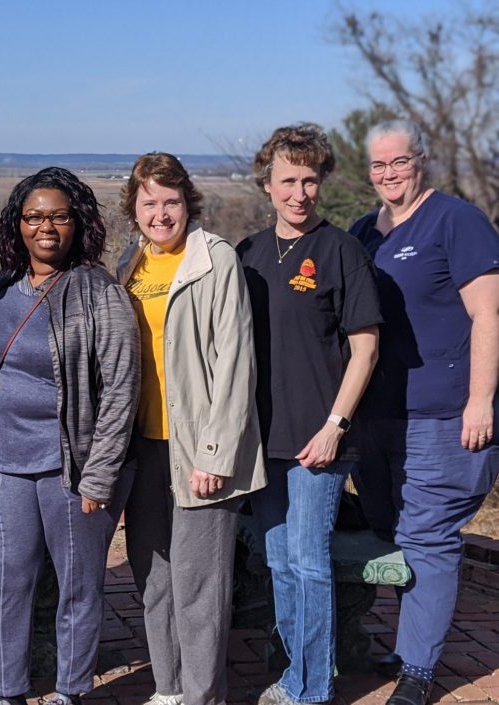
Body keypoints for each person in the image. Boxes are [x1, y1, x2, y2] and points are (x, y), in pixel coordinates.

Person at [0, 166, 140, 705]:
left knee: (78, 586)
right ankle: (7, 692)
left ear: (78, 223)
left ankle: (71, 690)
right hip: (4, 464)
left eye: (59, 216)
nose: (46, 227)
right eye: (34, 216)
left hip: (73, 467)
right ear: (17, 224)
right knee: (6, 585)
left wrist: (100, 474)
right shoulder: (4, 288)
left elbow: (122, 388)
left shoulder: (99, 293)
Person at [349, 118, 499, 705]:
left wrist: (480, 401)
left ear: (422, 161)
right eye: (378, 164)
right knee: (393, 532)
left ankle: (417, 671)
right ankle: (413, 640)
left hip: (442, 413)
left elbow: (488, 316)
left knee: (428, 536)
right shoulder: (364, 231)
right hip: (376, 414)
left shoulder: (456, 221)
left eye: (400, 161)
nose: (389, 173)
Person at [236, 124, 382, 705]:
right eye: (288, 180)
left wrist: (334, 427)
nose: (300, 193)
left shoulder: (341, 251)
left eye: (310, 180)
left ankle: (312, 687)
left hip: (319, 439)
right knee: (278, 561)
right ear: (267, 185)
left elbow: (366, 349)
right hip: (263, 438)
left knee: (309, 562)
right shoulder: (247, 254)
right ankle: (295, 675)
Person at [116, 152, 266, 705]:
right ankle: (169, 688)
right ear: (134, 208)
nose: (161, 214)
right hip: (145, 446)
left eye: (171, 202)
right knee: (154, 575)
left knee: (200, 584)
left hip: (200, 447)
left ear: (188, 203)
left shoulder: (214, 259)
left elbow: (235, 362)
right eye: (149, 202)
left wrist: (215, 453)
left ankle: (204, 695)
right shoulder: (130, 261)